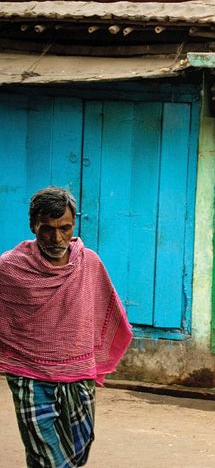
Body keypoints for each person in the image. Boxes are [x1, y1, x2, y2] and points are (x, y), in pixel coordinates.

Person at [0, 186, 133, 467]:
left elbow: (104, 311)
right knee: (50, 458)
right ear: (33, 225)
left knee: (76, 452)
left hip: (79, 373)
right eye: (47, 228)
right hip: (29, 375)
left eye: (65, 228)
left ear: (74, 224)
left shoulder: (89, 263)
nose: (57, 237)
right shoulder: (9, 268)